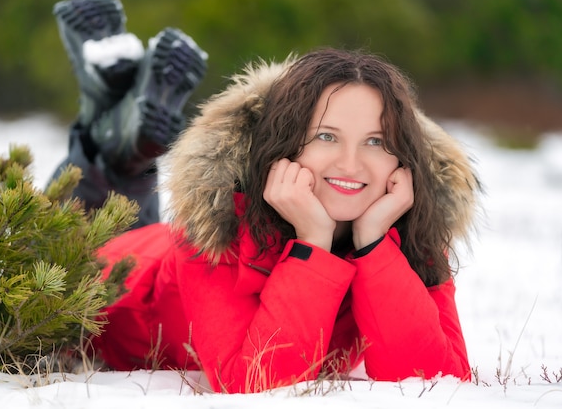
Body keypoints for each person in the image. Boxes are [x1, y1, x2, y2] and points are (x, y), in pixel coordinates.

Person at [84, 46, 482, 393]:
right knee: (85, 205)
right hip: (107, 274)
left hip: (147, 240)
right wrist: (313, 244)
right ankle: (105, 126)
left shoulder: (408, 230)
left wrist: (375, 244)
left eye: (376, 141)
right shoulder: (214, 229)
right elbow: (257, 382)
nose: (350, 164)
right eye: (326, 136)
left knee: (121, 189)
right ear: (285, 144)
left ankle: (121, 141)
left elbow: (434, 379)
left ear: (401, 160)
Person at [50, 0, 208, 227]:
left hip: (82, 240)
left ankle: (105, 110)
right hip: (136, 238)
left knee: (53, 231)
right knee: (132, 248)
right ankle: (118, 126)